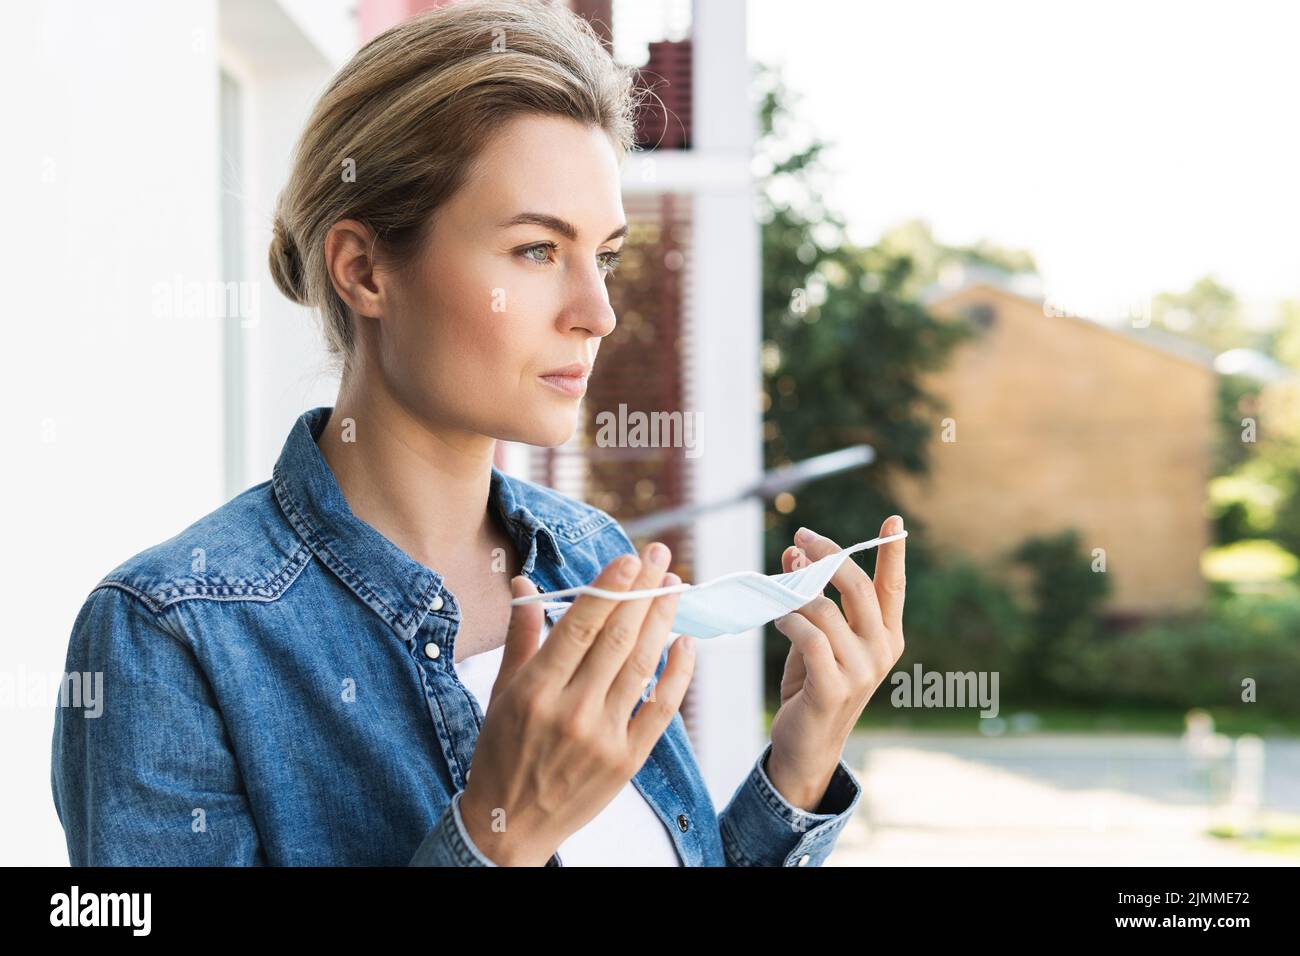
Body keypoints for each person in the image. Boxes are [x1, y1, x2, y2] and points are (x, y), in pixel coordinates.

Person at [51, 0, 906, 867]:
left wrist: (800, 769)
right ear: (365, 269)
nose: (598, 312)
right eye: (538, 250)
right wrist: (502, 834)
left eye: (604, 256)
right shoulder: (171, 637)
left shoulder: (589, 555)